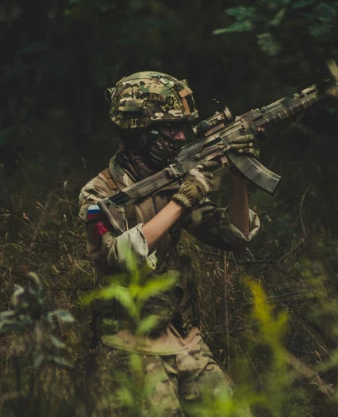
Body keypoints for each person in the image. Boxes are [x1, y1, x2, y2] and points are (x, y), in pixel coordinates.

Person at [78, 71, 261, 416]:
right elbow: (119, 256)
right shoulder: (97, 194)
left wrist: (238, 173)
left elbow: (234, 235)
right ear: (140, 133)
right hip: (130, 344)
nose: (181, 136)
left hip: (183, 337)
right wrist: (183, 199)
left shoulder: (175, 176)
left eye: (184, 127)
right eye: (172, 128)